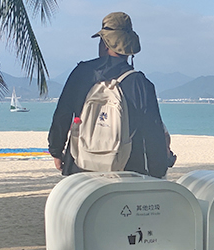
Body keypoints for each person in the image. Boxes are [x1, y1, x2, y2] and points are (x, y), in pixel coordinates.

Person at [48, 12, 173, 178]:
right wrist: (157, 171)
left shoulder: (82, 73)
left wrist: (56, 151)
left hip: (79, 166)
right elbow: (152, 132)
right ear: (129, 48)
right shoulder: (140, 84)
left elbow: (62, 114)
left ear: (105, 43)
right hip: (126, 170)